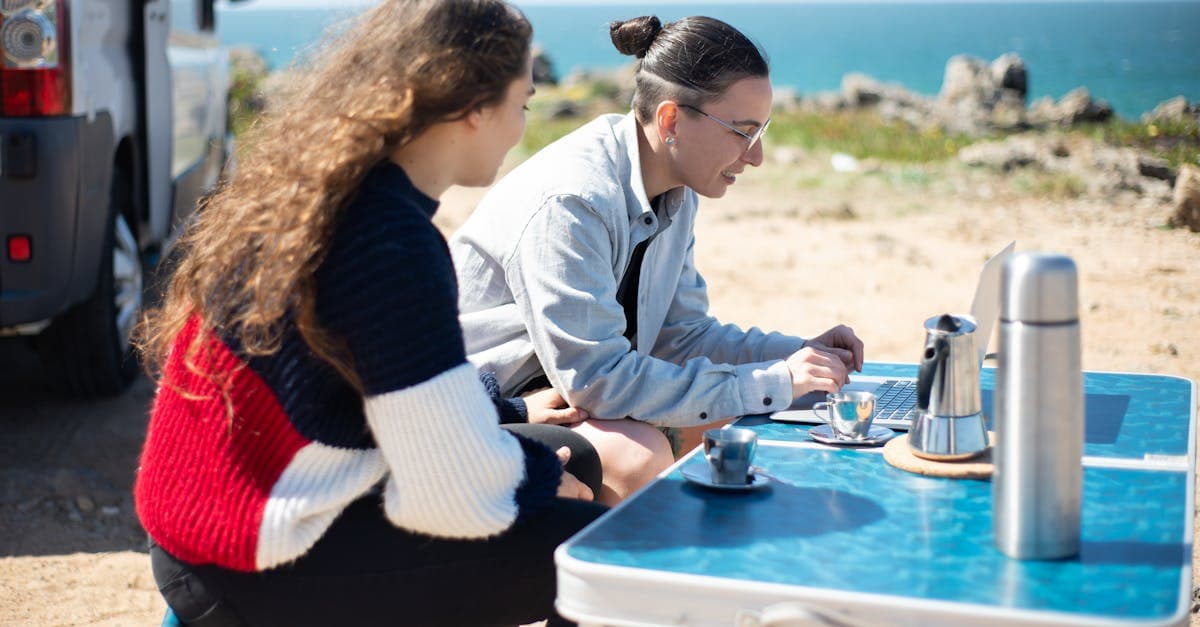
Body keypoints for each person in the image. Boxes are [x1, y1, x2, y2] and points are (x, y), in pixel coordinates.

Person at [133, 1, 605, 625]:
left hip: (210, 513)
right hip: (241, 555)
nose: (523, 123)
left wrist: (511, 419)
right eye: (523, 101)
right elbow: (453, 498)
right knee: (587, 550)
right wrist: (539, 480)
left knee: (570, 456)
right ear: (473, 108)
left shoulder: (331, 190)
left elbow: (378, 386)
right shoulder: (388, 238)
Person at [449, 15, 865, 504]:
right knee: (638, 457)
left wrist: (797, 356)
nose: (756, 157)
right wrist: (775, 381)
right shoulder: (573, 200)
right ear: (670, 121)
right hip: (485, 407)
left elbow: (681, 337)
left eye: (761, 132)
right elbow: (598, 380)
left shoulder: (675, 189)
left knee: (744, 410)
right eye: (743, 132)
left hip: (566, 389)